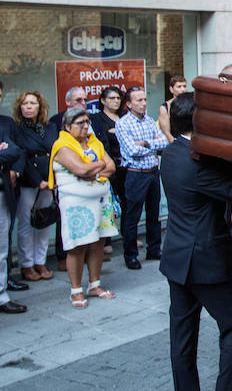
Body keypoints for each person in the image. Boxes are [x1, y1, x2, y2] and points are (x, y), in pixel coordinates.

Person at [159, 93, 232, 390]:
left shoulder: (172, 153)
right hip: (207, 261)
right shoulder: (197, 165)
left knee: (182, 338)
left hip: (177, 259)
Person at [50, 107, 118, 308]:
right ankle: (76, 290)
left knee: (98, 242)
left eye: (87, 122)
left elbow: (111, 166)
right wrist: (96, 167)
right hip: (77, 204)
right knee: (78, 245)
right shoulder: (62, 146)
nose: (86, 126)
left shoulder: (93, 142)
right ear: (67, 126)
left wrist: (91, 171)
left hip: (100, 200)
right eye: (80, 123)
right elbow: (79, 169)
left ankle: (95, 285)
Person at [116, 86, 168, 270]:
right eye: (139, 100)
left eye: (145, 99)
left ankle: (154, 249)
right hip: (136, 174)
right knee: (133, 216)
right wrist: (153, 146)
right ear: (129, 104)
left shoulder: (149, 121)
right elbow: (132, 151)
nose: (144, 103)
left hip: (153, 172)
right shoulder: (123, 123)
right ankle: (130, 255)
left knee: (154, 215)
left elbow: (164, 142)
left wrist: (146, 142)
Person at [12, 91, 57, 282]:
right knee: (25, 224)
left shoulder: (50, 127)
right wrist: (37, 181)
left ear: (40, 106)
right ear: (19, 107)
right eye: (25, 103)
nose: (29, 107)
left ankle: (41, 261)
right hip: (28, 181)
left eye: (33, 103)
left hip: (49, 180)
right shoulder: (16, 128)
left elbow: (55, 152)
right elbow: (21, 155)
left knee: (44, 222)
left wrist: (51, 180)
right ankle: (27, 264)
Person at [0, 80, 27, 314]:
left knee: (1, 248)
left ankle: (1, 295)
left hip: (2, 192)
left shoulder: (7, 123)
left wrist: (14, 168)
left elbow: (15, 150)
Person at [91, 86, 127, 257]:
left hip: (126, 165)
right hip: (109, 166)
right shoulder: (97, 119)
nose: (116, 101)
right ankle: (107, 241)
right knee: (109, 203)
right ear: (103, 101)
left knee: (128, 202)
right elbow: (102, 139)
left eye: (118, 98)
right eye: (112, 98)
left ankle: (128, 235)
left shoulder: (124, 117)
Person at [158, 75, 189, 143]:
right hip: (174, 143)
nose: (183, 90)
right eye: (179, 87)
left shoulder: (191, 104)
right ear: (171, 89)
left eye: (184, 86)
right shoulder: (165, 107)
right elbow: (167, 133)